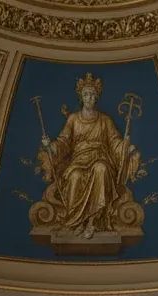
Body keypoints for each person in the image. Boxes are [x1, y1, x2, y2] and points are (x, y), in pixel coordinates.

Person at [39, 73, 140, 240]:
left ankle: (92, 222)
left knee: (101, 169)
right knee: (75, 176)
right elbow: (64, 141)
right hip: (78, 160)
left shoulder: (105, 120)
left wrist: (125, 147)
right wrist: (51, 146)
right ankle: (76, 222)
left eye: (92, 94)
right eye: (86, 94)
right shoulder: (73, 119)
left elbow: (114, 141)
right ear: (81, 97)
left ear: (96, 97)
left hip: (100, 157)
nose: (89, 97)